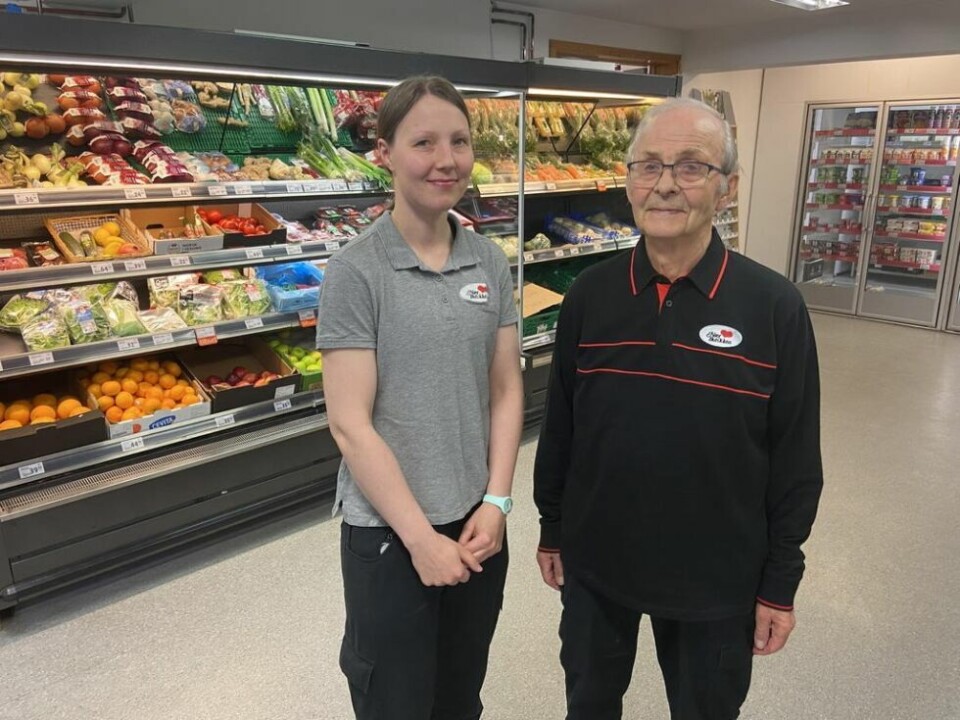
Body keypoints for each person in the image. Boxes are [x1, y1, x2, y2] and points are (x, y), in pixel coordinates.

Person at [533, 97, 823, 720]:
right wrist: (552, 526)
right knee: (588, 704)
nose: (665, 184)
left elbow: (796, 459)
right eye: (649, 165)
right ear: (630, 179)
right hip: (598, 561)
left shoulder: (773, 307)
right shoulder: (590, 295)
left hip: (717, 578)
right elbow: (562, 425)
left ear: (728, 188)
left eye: (691, 166)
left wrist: (780, 582)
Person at [317, 75, 524, 720]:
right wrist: (419, 538)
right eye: (424, 142)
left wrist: (496, 501)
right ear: (384, 153)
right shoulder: (358, 270)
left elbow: (506, 389)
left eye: (459, 141)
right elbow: (350, 425)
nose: (446, 160)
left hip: (476, 524)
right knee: (396, 703)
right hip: (388, 533)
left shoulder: (489, 261)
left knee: (460, 694)